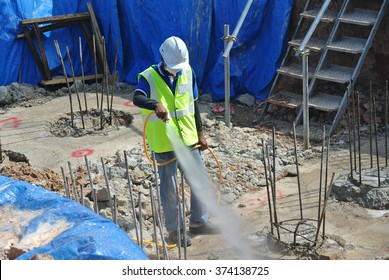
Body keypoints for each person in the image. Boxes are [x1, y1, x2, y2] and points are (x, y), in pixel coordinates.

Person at [133, 36, 219, 246]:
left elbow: (194, 105)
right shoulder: (149, 76)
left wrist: (200, 132)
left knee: (200, 181)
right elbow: (137, 97)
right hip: (164, 144)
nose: (177, 69)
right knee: (170, 189)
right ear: (162, 58)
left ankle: (199, 222)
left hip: (188, 139)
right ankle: (175, 231)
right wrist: (153, 104)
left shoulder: (188, 73)